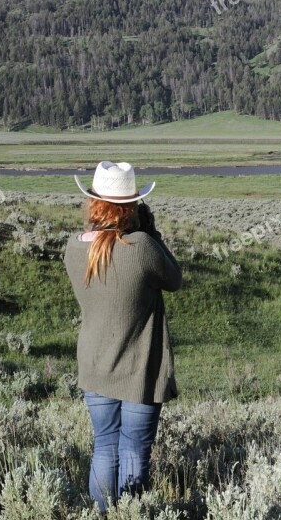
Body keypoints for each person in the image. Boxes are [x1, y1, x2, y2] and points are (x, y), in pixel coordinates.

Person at [63, 161, 182, 513]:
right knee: (134, 451)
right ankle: (131, 512)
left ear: (93, 202)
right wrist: (152, 232)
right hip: (139, 371)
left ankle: (102, 514)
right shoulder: (142, 246)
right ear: (132, 205)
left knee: (105, 446)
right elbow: (174, 279)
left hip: (95, 365)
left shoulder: (73, 247)